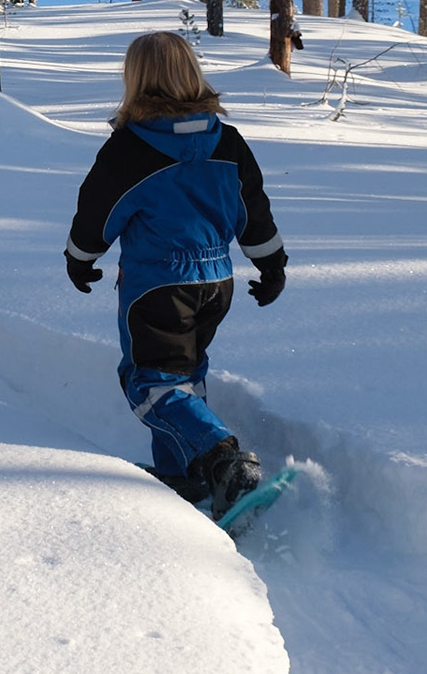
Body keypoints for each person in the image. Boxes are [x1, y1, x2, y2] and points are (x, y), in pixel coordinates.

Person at [63, 30, 288, 520]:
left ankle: (221, 457)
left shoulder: (129, 149)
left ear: (135, 81)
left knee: (150, 384)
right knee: (184, 378)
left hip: (156, 287)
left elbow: (98, 213)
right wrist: (271, 263)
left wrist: (80, 257)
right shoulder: (226, 141)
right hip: (215, 283)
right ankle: (187, 476)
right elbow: (254, 209)